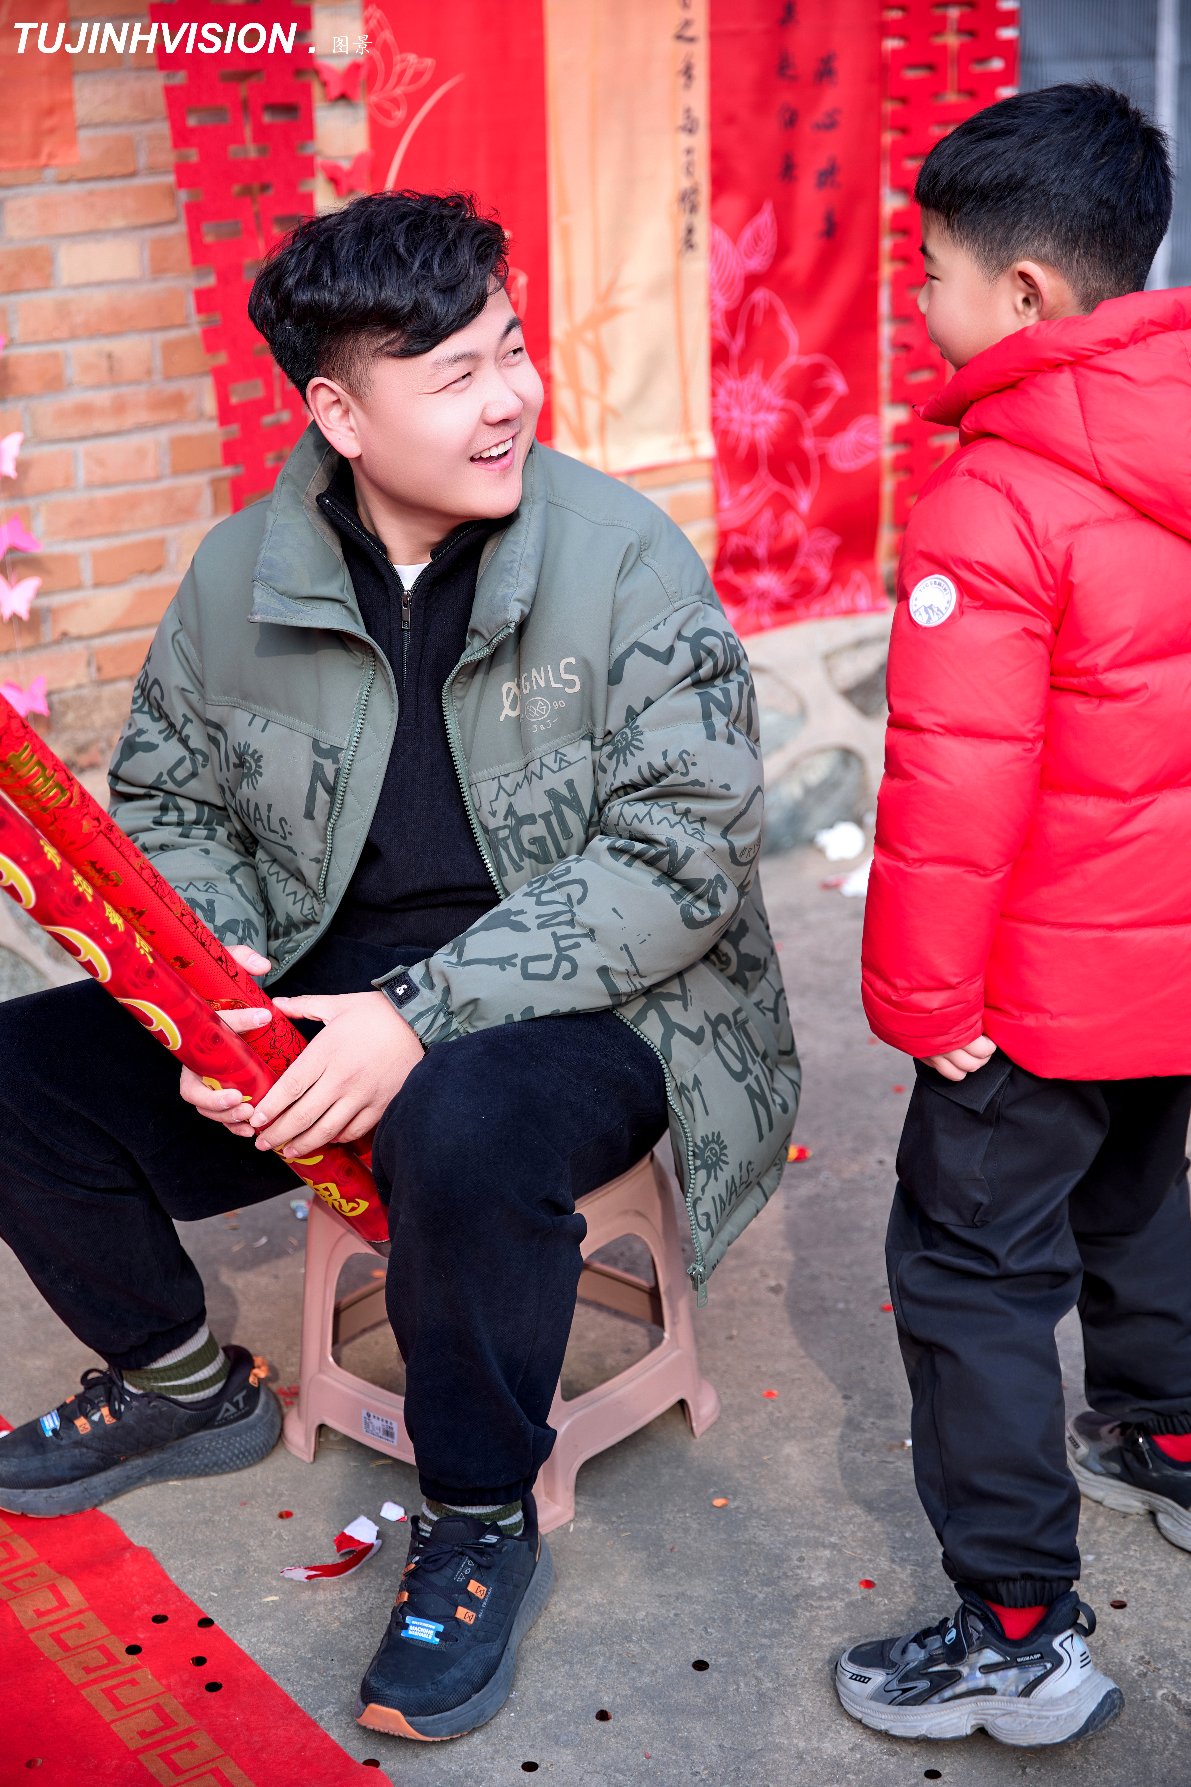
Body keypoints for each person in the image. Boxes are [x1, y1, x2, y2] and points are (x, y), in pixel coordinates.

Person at [0, 192, 798, 1743]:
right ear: (340, 414)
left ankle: (479, 1513)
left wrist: (417, 1020)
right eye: (453, 374)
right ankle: (179, 1379)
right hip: (326, 977)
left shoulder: (624, 562)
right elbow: (170, 798)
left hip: (602, 1001)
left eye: (511, 349)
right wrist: (216, 970)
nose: (507, 399)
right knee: (22, 1070)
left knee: (464, 1120)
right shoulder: (242, 574)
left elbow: (680, 861)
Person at [835, 85, 1191, 1748]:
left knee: (971, 1275)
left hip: (1039, 997)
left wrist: (923, 1006)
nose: (921, 300)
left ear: (1026, 291)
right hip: (1171, 974)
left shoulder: (996, 499)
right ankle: (1169, 1437)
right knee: (1137, 1197)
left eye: (932, 271)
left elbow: (954, 791)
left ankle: (1021, 1633)